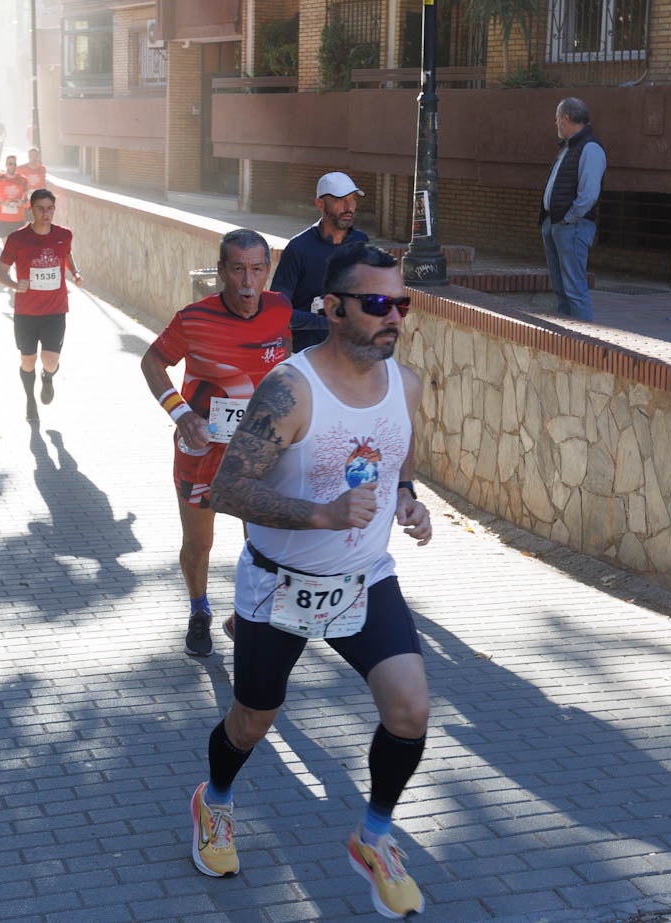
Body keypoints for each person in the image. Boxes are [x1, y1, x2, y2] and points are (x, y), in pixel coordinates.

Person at [187, 243, 433, 920]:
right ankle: (214, 800)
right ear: (332, 307)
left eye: (401, 304)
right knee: (252, 720)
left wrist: (408, 497)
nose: (394, 318)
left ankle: (374, 836)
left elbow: (399, 461)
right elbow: (227, 488)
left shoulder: (406, 384)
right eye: (378, 304)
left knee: (410, 709)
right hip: (279, 582)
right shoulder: (291, 390)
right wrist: (319, 513)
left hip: (364, 578)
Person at [140, 230, 291, 658]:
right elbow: (151, 361)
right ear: (222, 270)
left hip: (257, 455)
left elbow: (286, 364)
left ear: (267, 271)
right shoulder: (192, 318)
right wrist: (181, 413)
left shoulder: (279, 309)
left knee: (260, 543)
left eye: (257, 270)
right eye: (238, 270)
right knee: (199, 543)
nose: (248, 282)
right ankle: (199, 610)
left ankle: (244, 617)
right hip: (201, 452)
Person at [0, 189, 81, 424]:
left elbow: (66, 254)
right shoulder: (17, 239)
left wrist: (75, 271)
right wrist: (14, 284)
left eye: (50, 208)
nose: (46, 213)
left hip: (55, 310)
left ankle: (48, 377)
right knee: (27, 361)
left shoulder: (64, 234)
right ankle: (30, 401)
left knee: (50, 361)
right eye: (41, 209)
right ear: (31, 209)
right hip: (26, 313)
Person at [271, 172, 370, 352]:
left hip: (351, 357)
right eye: (340, 200)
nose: (349, 207)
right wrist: (326, 322)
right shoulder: (298, 248)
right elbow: (278, 312)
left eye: (353, 199)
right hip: (307, 359)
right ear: (320, 204)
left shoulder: (361, 242)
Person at [541, 96, 606, 323]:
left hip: (572, 226)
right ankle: (565, 337)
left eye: (557, 119)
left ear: (566, 118)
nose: (555, 124)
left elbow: (588, 194)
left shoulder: (590, 148)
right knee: (561, 288)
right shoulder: (570, 147)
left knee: (575, 290)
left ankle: (583, 342)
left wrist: (569, 219)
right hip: (557, 224)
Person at [0, 155, 30, 242]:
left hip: (18, 220)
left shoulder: (23, 180)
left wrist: (22, 202)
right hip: (3, 220)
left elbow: (26, 198)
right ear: (6, 165)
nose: (12, 166)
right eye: (10, 164)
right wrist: (1, 203)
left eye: (14, 164)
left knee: (17, 249)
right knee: (7, 249)